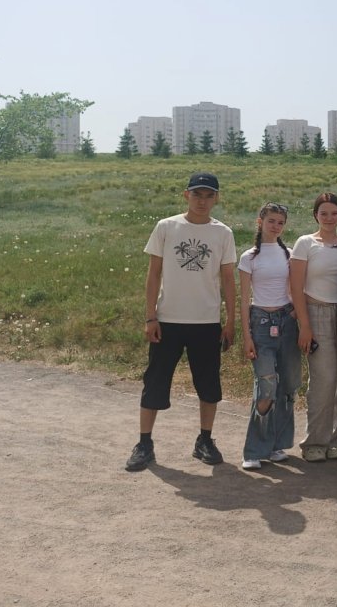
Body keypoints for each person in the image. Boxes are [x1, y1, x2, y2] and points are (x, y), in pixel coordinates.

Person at [125, 172, 237, 472]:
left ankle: (205, 440)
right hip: (168, 320)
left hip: (206, 321)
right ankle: (144, 443)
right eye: (197, 194)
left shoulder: (223, 233)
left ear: (217, 198)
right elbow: (154, 274)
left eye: (209, 195)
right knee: (155, 381)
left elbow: (228, 278)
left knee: (209, 384)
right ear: (187, 195)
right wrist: (150, 316)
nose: (202, 201)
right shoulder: (167, 226)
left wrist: (230, 321)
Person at [289, 193, 337, 462]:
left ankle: (333, 442)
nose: (329, 218)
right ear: (315, 215)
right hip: (315, 313)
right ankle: (314, 442)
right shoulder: (305, 243)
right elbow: (296, 287)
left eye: (334, 213)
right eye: (323, 213)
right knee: (324, 380)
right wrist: (304, 326)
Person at [239, 203, 300, 470]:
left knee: (287, 387)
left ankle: (276, 445)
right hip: (260, 322)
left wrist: (296, 313)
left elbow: (295, 289)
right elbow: (244, 301)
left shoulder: (290, 254)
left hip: (287, 321)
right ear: (260, 222)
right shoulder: (249, 257)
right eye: (271, 221)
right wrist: (247, 337)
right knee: (266, 387)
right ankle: (254, 450)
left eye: (280, 222)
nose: (275, 226)